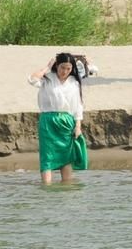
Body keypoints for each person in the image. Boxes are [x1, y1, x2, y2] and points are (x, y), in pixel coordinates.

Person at [28, 53, 88, 184]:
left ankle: (66, 187)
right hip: (48, 121)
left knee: (66, 157)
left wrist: (78, 126)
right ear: (57, 66)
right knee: (47, 156)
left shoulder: (74, 83)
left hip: (67, 122)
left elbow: (78, 106)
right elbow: (32, 79)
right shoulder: (48, 78)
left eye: (68, 68)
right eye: (62, 67)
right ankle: (47, 186)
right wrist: (47, 67)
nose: (64, 71)